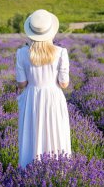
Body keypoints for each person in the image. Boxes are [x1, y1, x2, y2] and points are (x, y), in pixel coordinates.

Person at [16, 9, 72, 169]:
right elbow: (64, 83)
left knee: (31, 136)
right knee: (55, 134)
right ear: (50, 31)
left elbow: (21, 84)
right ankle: (58, 172)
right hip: (53, 99)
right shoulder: (61, 52)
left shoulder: (21, 53)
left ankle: (29, 173)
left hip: (32, 98)